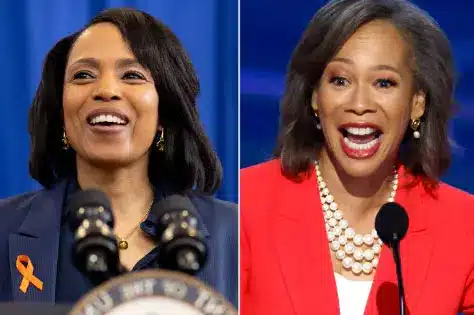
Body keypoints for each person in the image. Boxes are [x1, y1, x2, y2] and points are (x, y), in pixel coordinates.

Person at [240, 0, 474, 314]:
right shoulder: (245, 203)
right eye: (340, 80)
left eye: (384, 83)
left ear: (417, 103)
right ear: (314, 96)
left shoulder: (463, 225)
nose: (360, 103)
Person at [0, 8, 237, 306]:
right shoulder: (5, 227)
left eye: (132, 75)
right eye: (83, 75)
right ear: (60, 112)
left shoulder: (235, 233)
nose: (107, 90)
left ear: (164, 111)